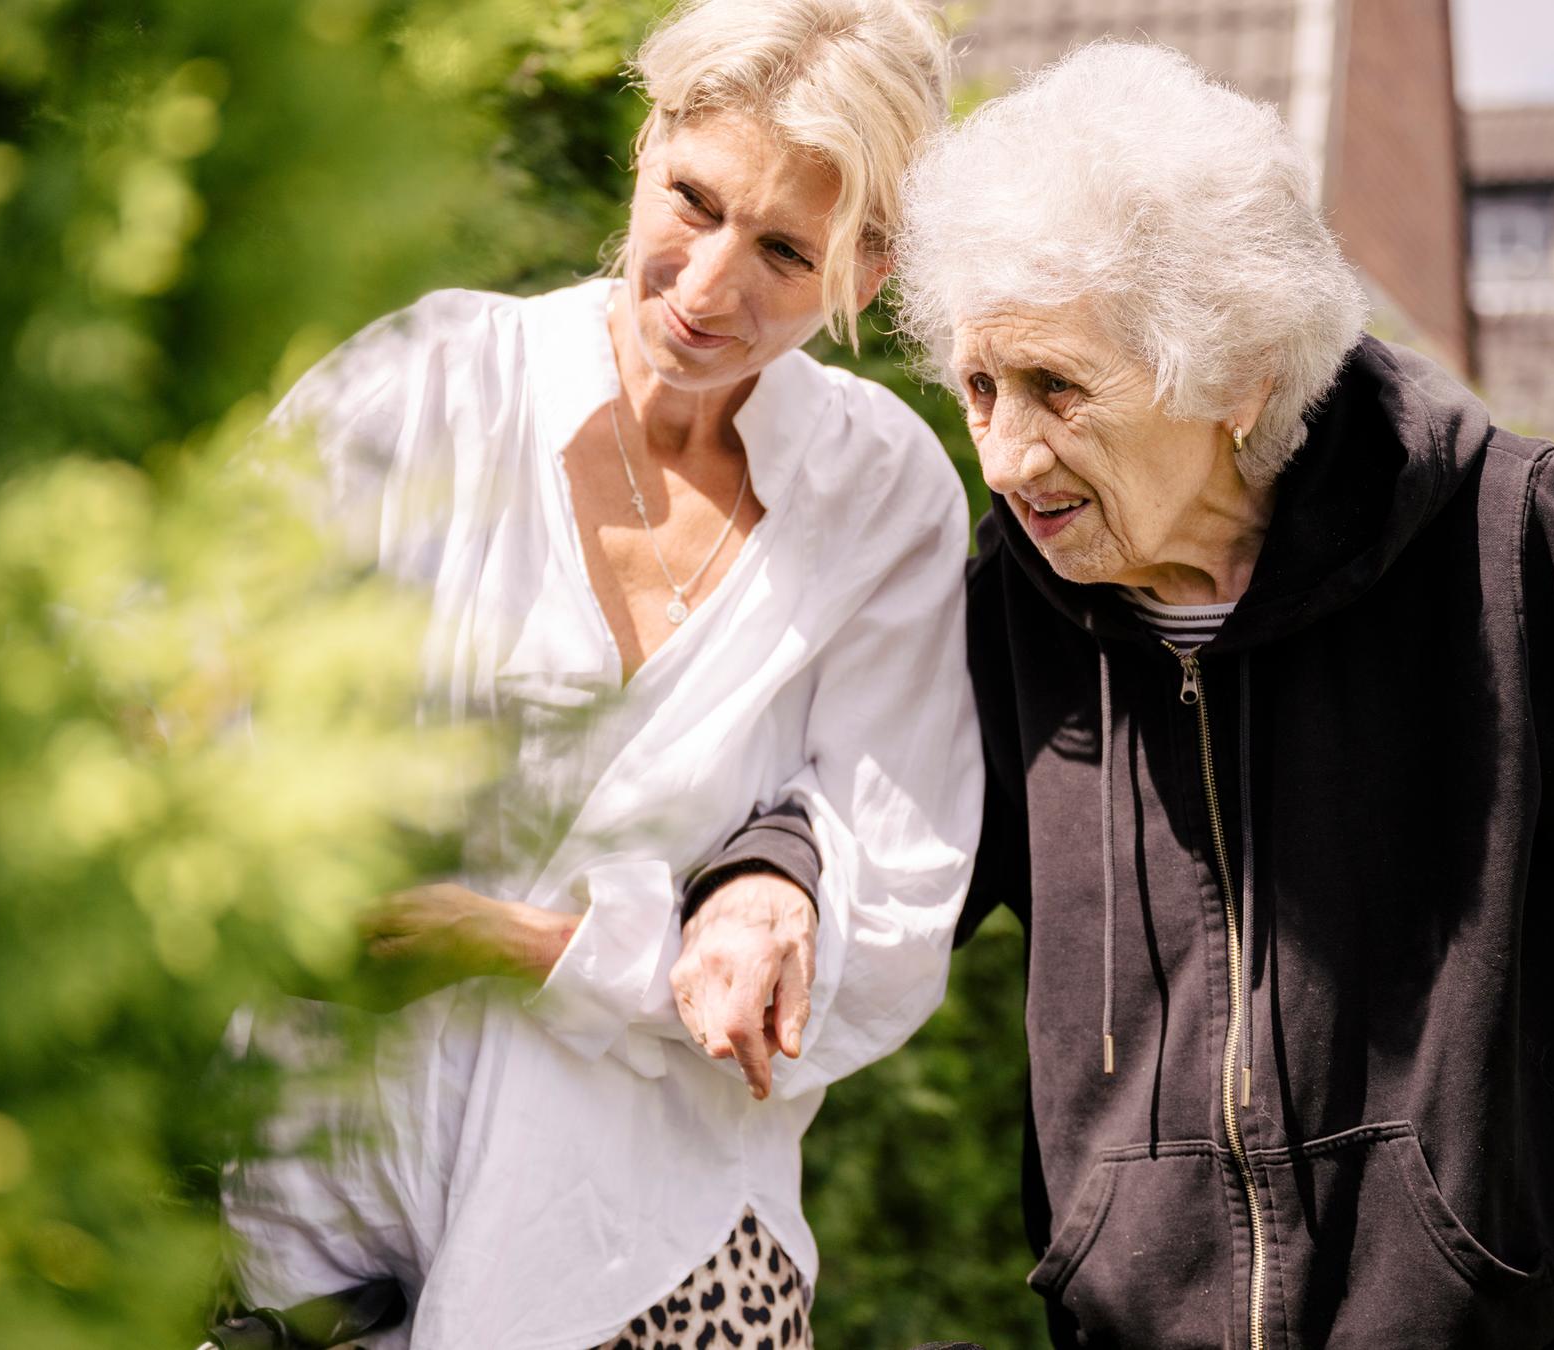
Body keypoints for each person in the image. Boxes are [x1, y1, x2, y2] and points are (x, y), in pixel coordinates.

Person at [895, 42, 1554, 1350]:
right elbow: (887, 878)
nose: (1008, 451)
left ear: (1238, 373)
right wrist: (767, 872)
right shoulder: (1011, 601)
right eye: (980, 385)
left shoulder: (1506, 540)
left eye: (1058, 388)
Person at [222, 3, 980, 1346]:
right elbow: (189, 681)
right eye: (693, 200)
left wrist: (542, 945)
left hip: (660, 1267)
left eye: (786, 251)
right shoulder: (427, 384)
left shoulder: (886, 500)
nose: (707, 286)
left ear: (865, 273)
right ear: (646, 148)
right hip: (314, 1252)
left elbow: (896, 919)